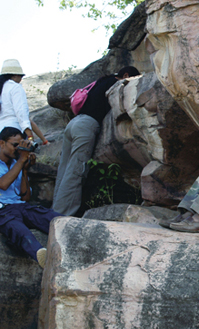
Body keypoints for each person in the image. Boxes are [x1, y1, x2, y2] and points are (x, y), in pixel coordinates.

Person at [52, 66, 141, 216]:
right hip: (85, 126)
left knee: (64, 170)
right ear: (126, 75)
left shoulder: (101, 81)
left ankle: (53, 210)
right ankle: (61, 216)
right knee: (76, 172)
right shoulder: (116, 83)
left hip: (73, 124)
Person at [0, 127, 62, 268]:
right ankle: (42, 256)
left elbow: (25, 197)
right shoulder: (17, 161)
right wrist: (22, 160)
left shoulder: (17, 163)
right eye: (14, 145)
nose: (18, 149)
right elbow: (3, 184)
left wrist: (25, 169)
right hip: (2, 210)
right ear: (1, 144)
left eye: (20, 145)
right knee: (19, 230)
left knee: (52, 218)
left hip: (20, 206)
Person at [0, 59, 48, 145]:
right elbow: (21, 113)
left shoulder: (2, 89)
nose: (21, 80)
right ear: (14, 76)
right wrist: (30, 136)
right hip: (14, 132)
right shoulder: (15, 87)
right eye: (20, 77)